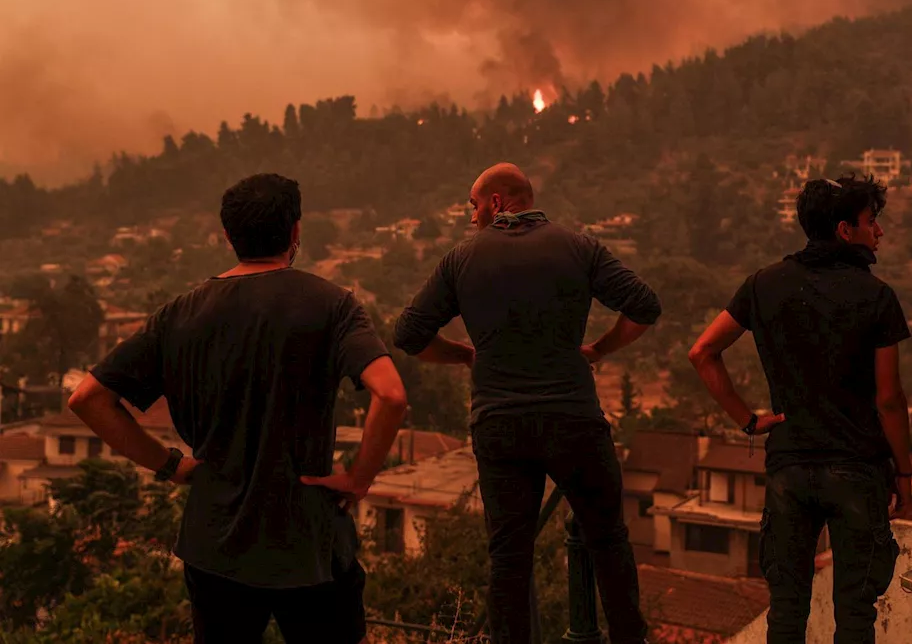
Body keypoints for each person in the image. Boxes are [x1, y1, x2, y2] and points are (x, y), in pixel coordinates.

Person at [69, 173, 407, 644]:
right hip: (309, 542)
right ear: (295, 232)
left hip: (214, 545)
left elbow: (88, 399)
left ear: (228, 236)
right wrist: (359, 478)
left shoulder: (180, 313)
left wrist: (169, 464)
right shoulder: (333, 306)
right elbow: (390, 395)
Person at [394, 162, 661, 644]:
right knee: (607, 541)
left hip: (500, 427)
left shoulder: (461, 259)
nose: (470, 216)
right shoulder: (580, 247)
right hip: (574, 420)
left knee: (510, 557)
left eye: (473, 205)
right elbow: (645, 306)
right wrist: (598, 350)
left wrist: (464, 356)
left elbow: (408, 335)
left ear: (496, 202)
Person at [687, 176, 912, 644]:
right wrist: (905, 470)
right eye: (873, 221)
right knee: (855, 615)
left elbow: (703, 352)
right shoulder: (877, 297)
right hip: (856, 467)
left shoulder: (763, 285)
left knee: (786, 611)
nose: (881, 232)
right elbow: (889, 398)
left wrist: (748, 421)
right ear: (845, 230)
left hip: (789, 465)